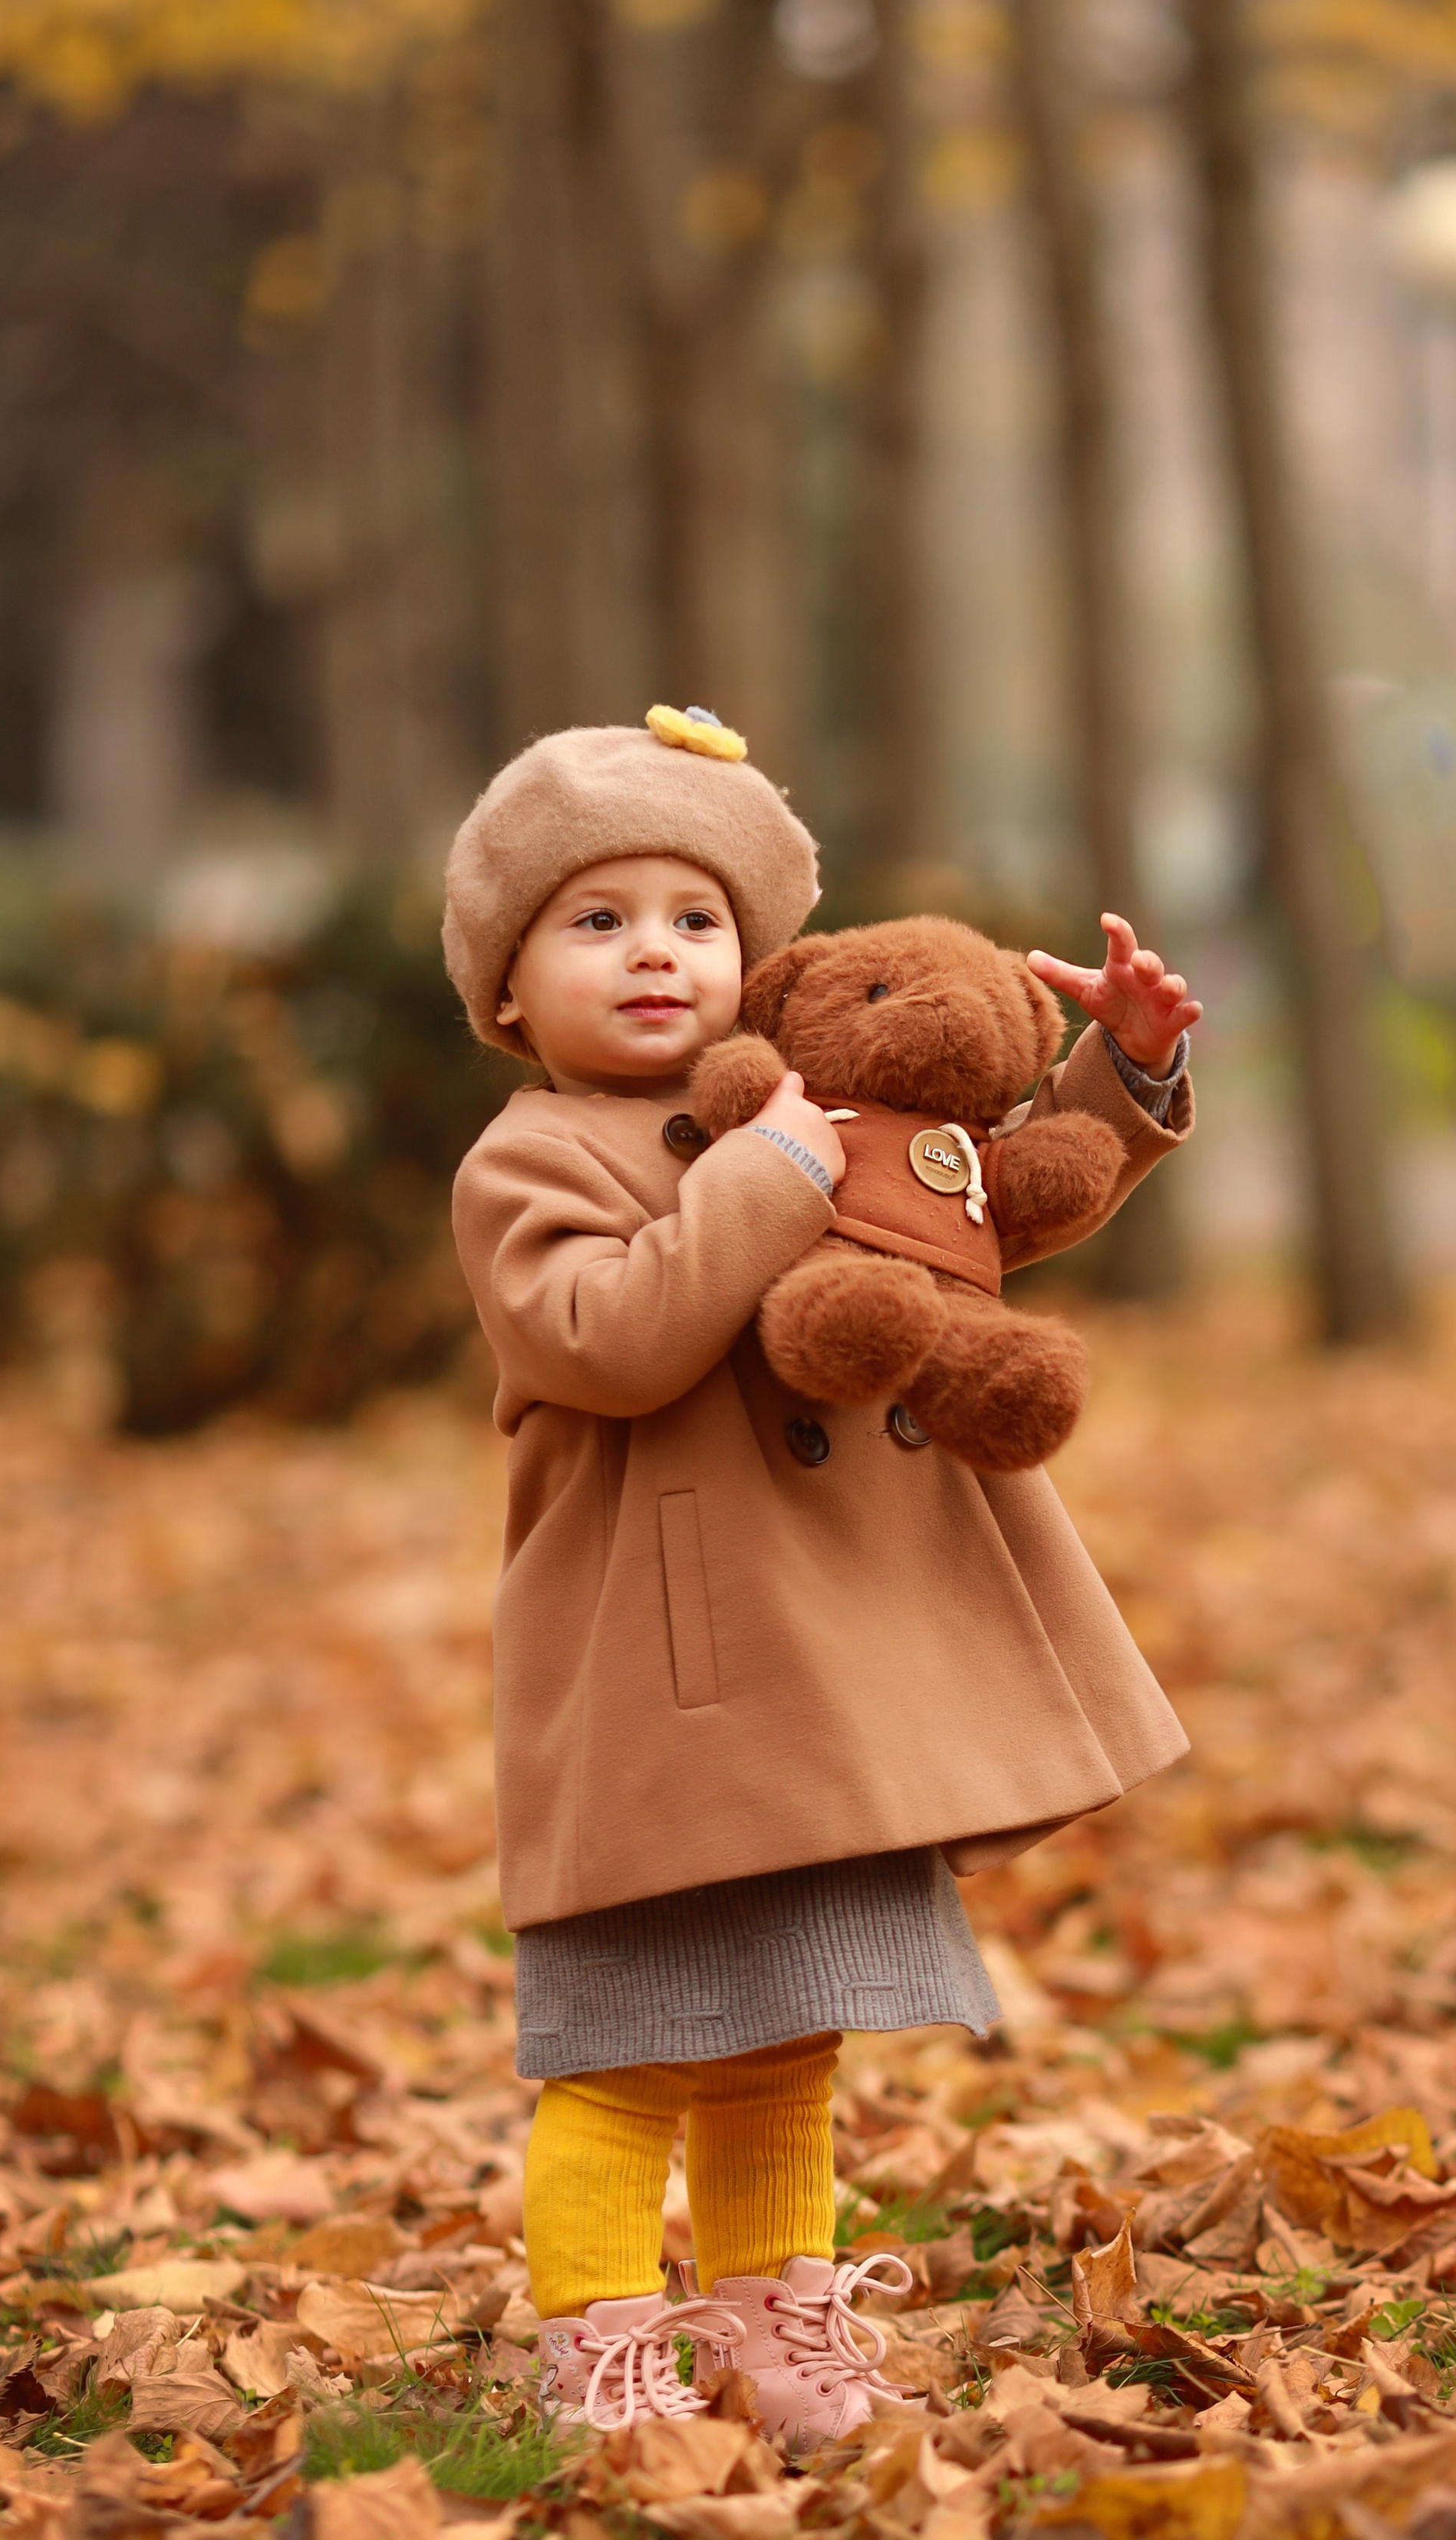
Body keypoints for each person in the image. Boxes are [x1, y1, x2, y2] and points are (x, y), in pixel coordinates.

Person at [443, 707, 1201, 2448]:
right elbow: (610, 1337)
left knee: (788, 2032)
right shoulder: (530, 1161)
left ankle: (775, 2324)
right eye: (596, 921)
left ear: (756, 955)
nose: (654, 955)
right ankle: (601, 2338)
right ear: (507, 993)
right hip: (664, 1676)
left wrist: (1126, 1079)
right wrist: (775, 1174)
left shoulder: (832, 1114)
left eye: (694, 921)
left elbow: (983, 1201)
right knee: (632, 2038)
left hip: (829, 1676)